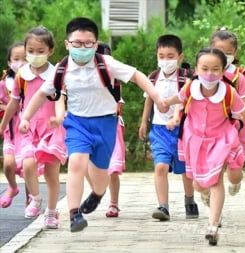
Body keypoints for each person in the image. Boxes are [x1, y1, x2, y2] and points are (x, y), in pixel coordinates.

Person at [18, 17, 167, 233]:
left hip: (106, 124)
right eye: (77, 43)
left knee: (100, 179)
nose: (82, 47)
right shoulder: (62, 69)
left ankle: (97, 194)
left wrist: (158, 98)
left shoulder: (106, 64)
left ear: (96, 44)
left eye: (88, 43)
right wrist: (25, 118)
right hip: (77, 124)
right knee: (76, 163)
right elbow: (42, 94)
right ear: (67, 44)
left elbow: (138, 76)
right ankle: (74, 214)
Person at [165, 48, 245, 246]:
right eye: (204, 68)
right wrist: (168, 109)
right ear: (196, 69)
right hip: (195, 141)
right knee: (198, 184)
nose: (209, 74)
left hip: (221, 140)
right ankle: (206, 197)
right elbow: (177, 99)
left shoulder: (228, 92)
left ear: (222, 72)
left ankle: (213, 225)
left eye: (215, 69)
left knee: (215, 181)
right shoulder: (190, 87)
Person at [0, 27, 67, 229]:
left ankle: (52, 212)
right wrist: (3, 125)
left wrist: (58, 117)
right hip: (27, 127)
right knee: (28, 163)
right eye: (31, 50)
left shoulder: (56, 74)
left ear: (50, 51)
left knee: (51, 173)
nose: (35, 55)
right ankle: (35, 199)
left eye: (40, 51)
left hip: (51, 128)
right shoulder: (22, 74)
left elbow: (59, 99)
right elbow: (14, 102)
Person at [138, 34, 199, 221]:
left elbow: (188, 100)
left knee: (186, 171)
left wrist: (179, 116)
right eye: (162, 56)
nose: (166, 60)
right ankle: (163, 207)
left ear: (180, 57)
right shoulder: (153, 77)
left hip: (183, 131)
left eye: (170, 56)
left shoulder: (187, 77)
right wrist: (143, 122)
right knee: (161, 166)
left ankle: (189, 200)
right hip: (159, 129)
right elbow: (149, 99)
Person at [209, 28, 245, 196]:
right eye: (219, 52)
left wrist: (240, 119)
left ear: (235, 52)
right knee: (216, 167)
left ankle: (235, 181)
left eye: (228, 52)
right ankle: (214, 201)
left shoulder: (239, 77)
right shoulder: (204, 74)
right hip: (212, 129)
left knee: (234, 173)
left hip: (236, 129)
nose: (223, 56)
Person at [83, 42, 126, 218]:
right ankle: (96, 192)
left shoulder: (114, 82)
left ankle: (114, 203)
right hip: (87, 126)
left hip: (111, 126)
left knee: (113, 168)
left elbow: (118, 106)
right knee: (84, 162)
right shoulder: (81, 79)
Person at [0, 42, 29, 208]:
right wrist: (10, 108)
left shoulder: (35, 80)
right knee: (8, 164)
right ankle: (12, 187)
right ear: (10, 63)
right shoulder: (5, 84)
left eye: (25, 58)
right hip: (11, 131)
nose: (21, 62)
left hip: (28, 130)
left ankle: (30, 198)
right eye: (17, 59)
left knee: (28, 165)